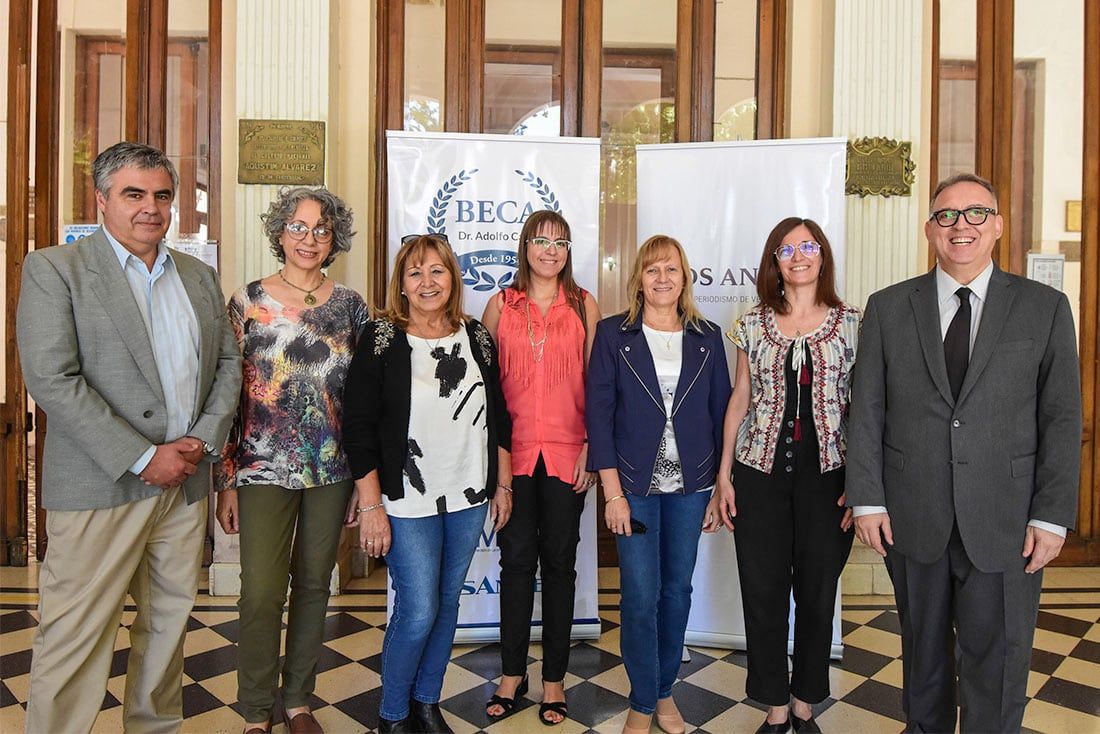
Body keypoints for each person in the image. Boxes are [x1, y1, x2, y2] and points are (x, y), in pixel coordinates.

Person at [16, 141, 242, 733]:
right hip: (101, 485)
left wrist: (199, 442)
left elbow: (227, 366)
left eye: (162, 195)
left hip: (183, 484)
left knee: (167, 626)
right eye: (134, 194)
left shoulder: (196, 275)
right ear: (102, 200)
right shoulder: (55, 270)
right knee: (75, 634)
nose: (151, 208)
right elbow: (52, 380)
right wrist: (143, 456)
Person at [846, 173, 1082, 733]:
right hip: (912, 513)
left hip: (1006, 519)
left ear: (997, 226)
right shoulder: (887, 308)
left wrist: (1052, 514)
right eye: (947, 215)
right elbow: (867, 409)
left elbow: (1061, 417)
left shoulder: (1044, 308)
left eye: (976, 213)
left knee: (997, 665)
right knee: (922, 661)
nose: (961, 226)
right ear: (930, 229)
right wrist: (867, 500)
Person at [341, 234, 513, 734]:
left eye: (436, 271)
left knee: (448, 604)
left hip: (467, 492)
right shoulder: (380, 339)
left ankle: (426, 701)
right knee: (418, 609)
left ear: (452, 278)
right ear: (402, 284)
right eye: (415, 273)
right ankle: (393, 713)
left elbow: (498, 415)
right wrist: (371, 504)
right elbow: (358, 425)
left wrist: (502, 485)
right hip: (404, 496)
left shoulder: (477, 336)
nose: (427, 282)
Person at [214, 187, 369, 734]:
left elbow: (361, 399)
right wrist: (226, 479)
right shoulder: (246, 301)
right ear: (280, 232)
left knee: (314, 584)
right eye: (299, 227)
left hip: (331, 469)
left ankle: (299, 700)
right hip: (260, 468)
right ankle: (257, 709)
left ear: (334, 240)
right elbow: (229, 395)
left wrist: (362, 484)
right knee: (259, 590)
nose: (310, 238)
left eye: (321, 229)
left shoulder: (352, 306)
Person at [712, 218, 859, 733]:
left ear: (822, 256)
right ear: (774, 260)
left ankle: (805, 702)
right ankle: (775, 705)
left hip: (830, 480)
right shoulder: (752, 323)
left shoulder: (853, 323)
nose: (798, 257)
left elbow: (865, 409)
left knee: (819, 593)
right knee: (763, 590)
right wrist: (724, 476)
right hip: (759, 474)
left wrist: (862, 489)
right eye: (786, 249)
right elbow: (739, 400)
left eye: (807, 246)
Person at [586, 235, 732, 734]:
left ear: (685, 278)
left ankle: (665, 693)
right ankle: (642, 700)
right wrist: (612, 495)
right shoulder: (612, 335)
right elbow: (599, 419)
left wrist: (718, 486)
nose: (663, 278)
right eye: (652, 270)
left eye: (672, 269)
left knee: (677, 591)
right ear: (638, 281)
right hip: (633, 487)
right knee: (639, 594)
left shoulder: (708, 336)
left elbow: (721, 412)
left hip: (692, 488)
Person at [481, 210, 601, 727]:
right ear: (524, 246)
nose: (550, 249)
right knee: (514, 565)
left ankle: (553, 679)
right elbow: (483, 390)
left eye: (560, 241)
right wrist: (495, 470)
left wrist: (592, 448)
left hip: (568, 454)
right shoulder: (499, 305)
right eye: (540, 239)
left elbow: (601, 383)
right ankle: (512, 673)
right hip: (514, 457)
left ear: (568, 250)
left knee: (559, 565)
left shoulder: (583, 304)